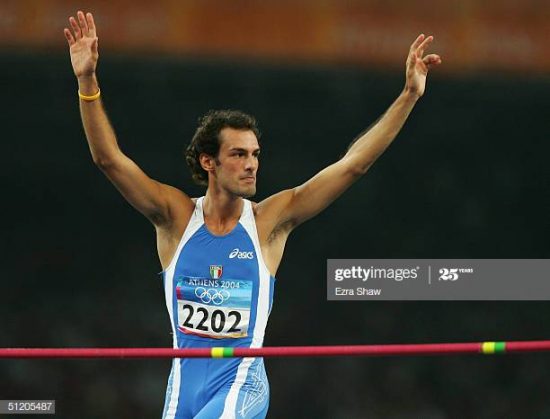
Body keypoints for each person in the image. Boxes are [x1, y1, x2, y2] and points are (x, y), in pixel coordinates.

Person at [63, 10, 441, 419]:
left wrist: (408, 97)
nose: (251, 165)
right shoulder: (174, 218)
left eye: (255, 155)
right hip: (182, 390)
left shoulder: (268, 221)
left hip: (242, 386)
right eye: (239, 154)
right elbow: (109, 160)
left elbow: (352, 166)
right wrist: (87, 80)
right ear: (209, 162)